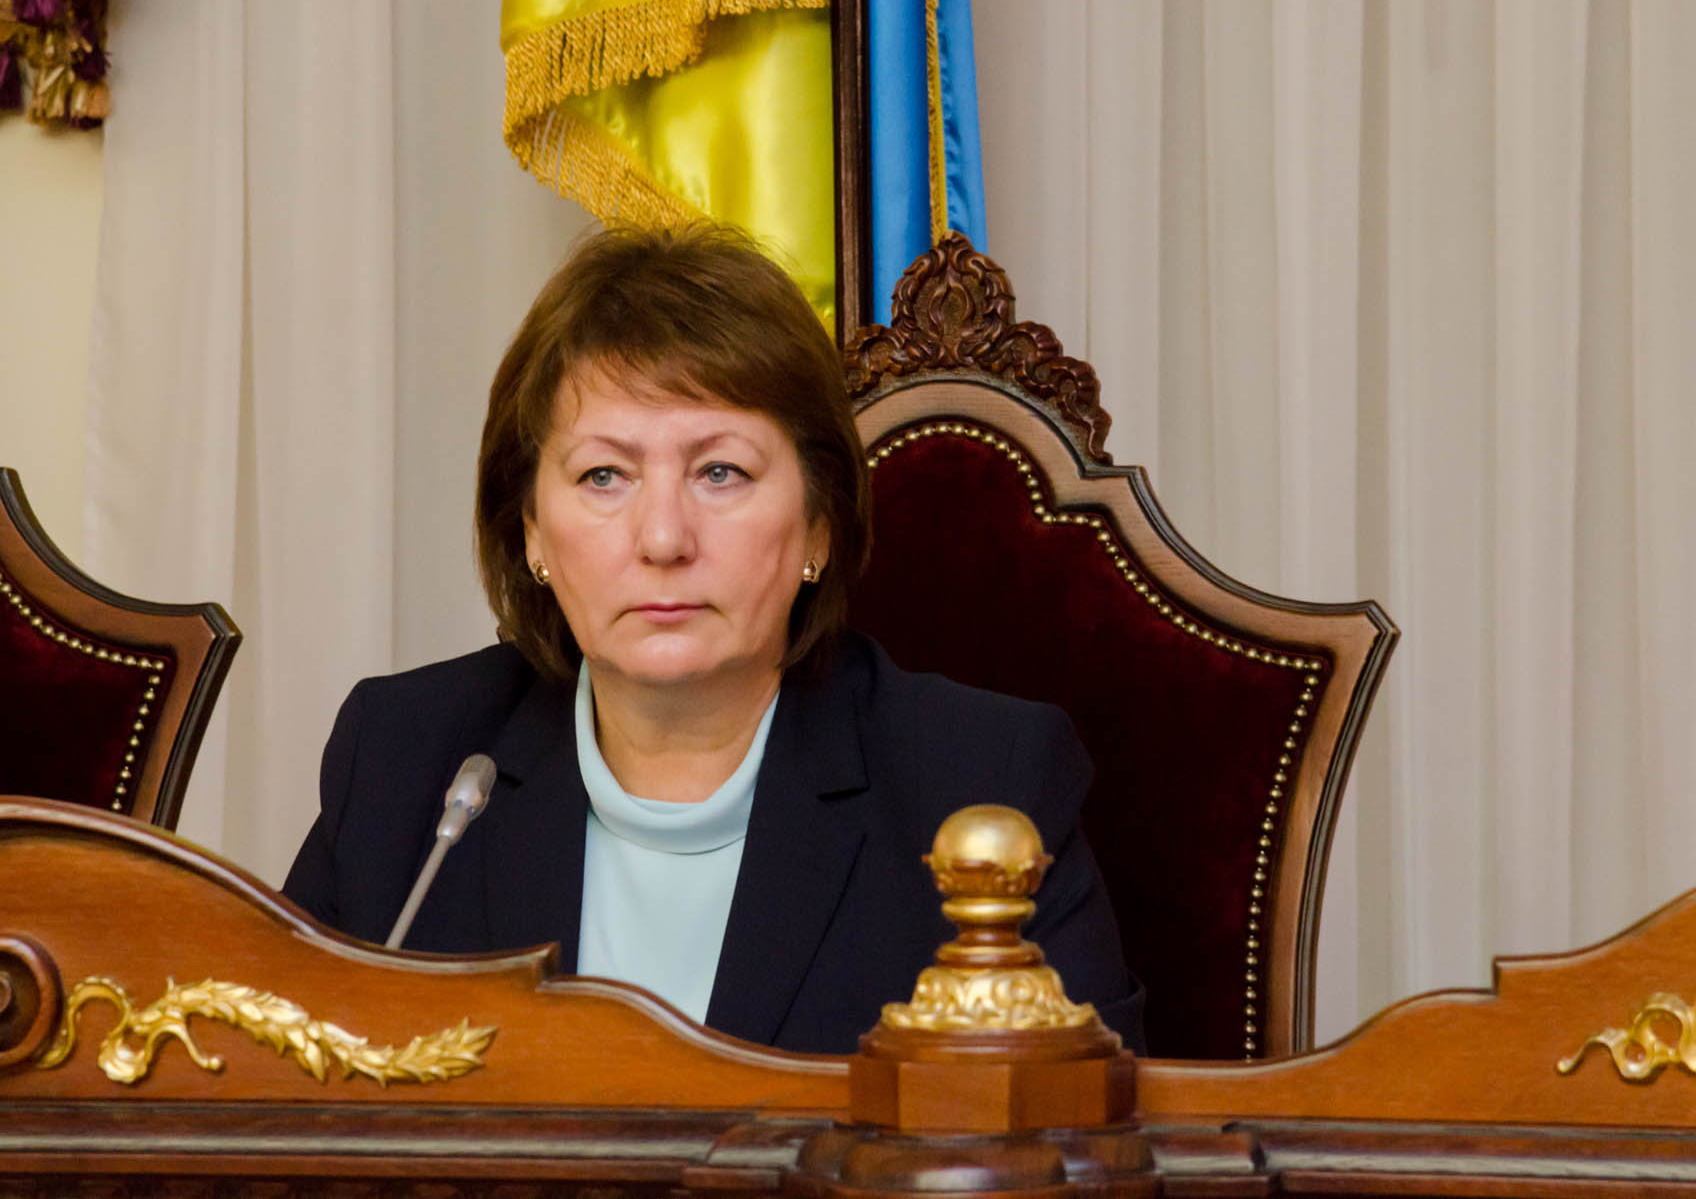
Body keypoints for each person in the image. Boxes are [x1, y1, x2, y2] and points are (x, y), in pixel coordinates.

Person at [282, 226, 1145, 1055]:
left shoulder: (981, 787)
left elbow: (1083, 1131)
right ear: (532, 531)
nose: (663, 538)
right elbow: (276, 1107)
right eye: (604, 475)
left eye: (720, 471)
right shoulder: (404, 767)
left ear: (819, 523)